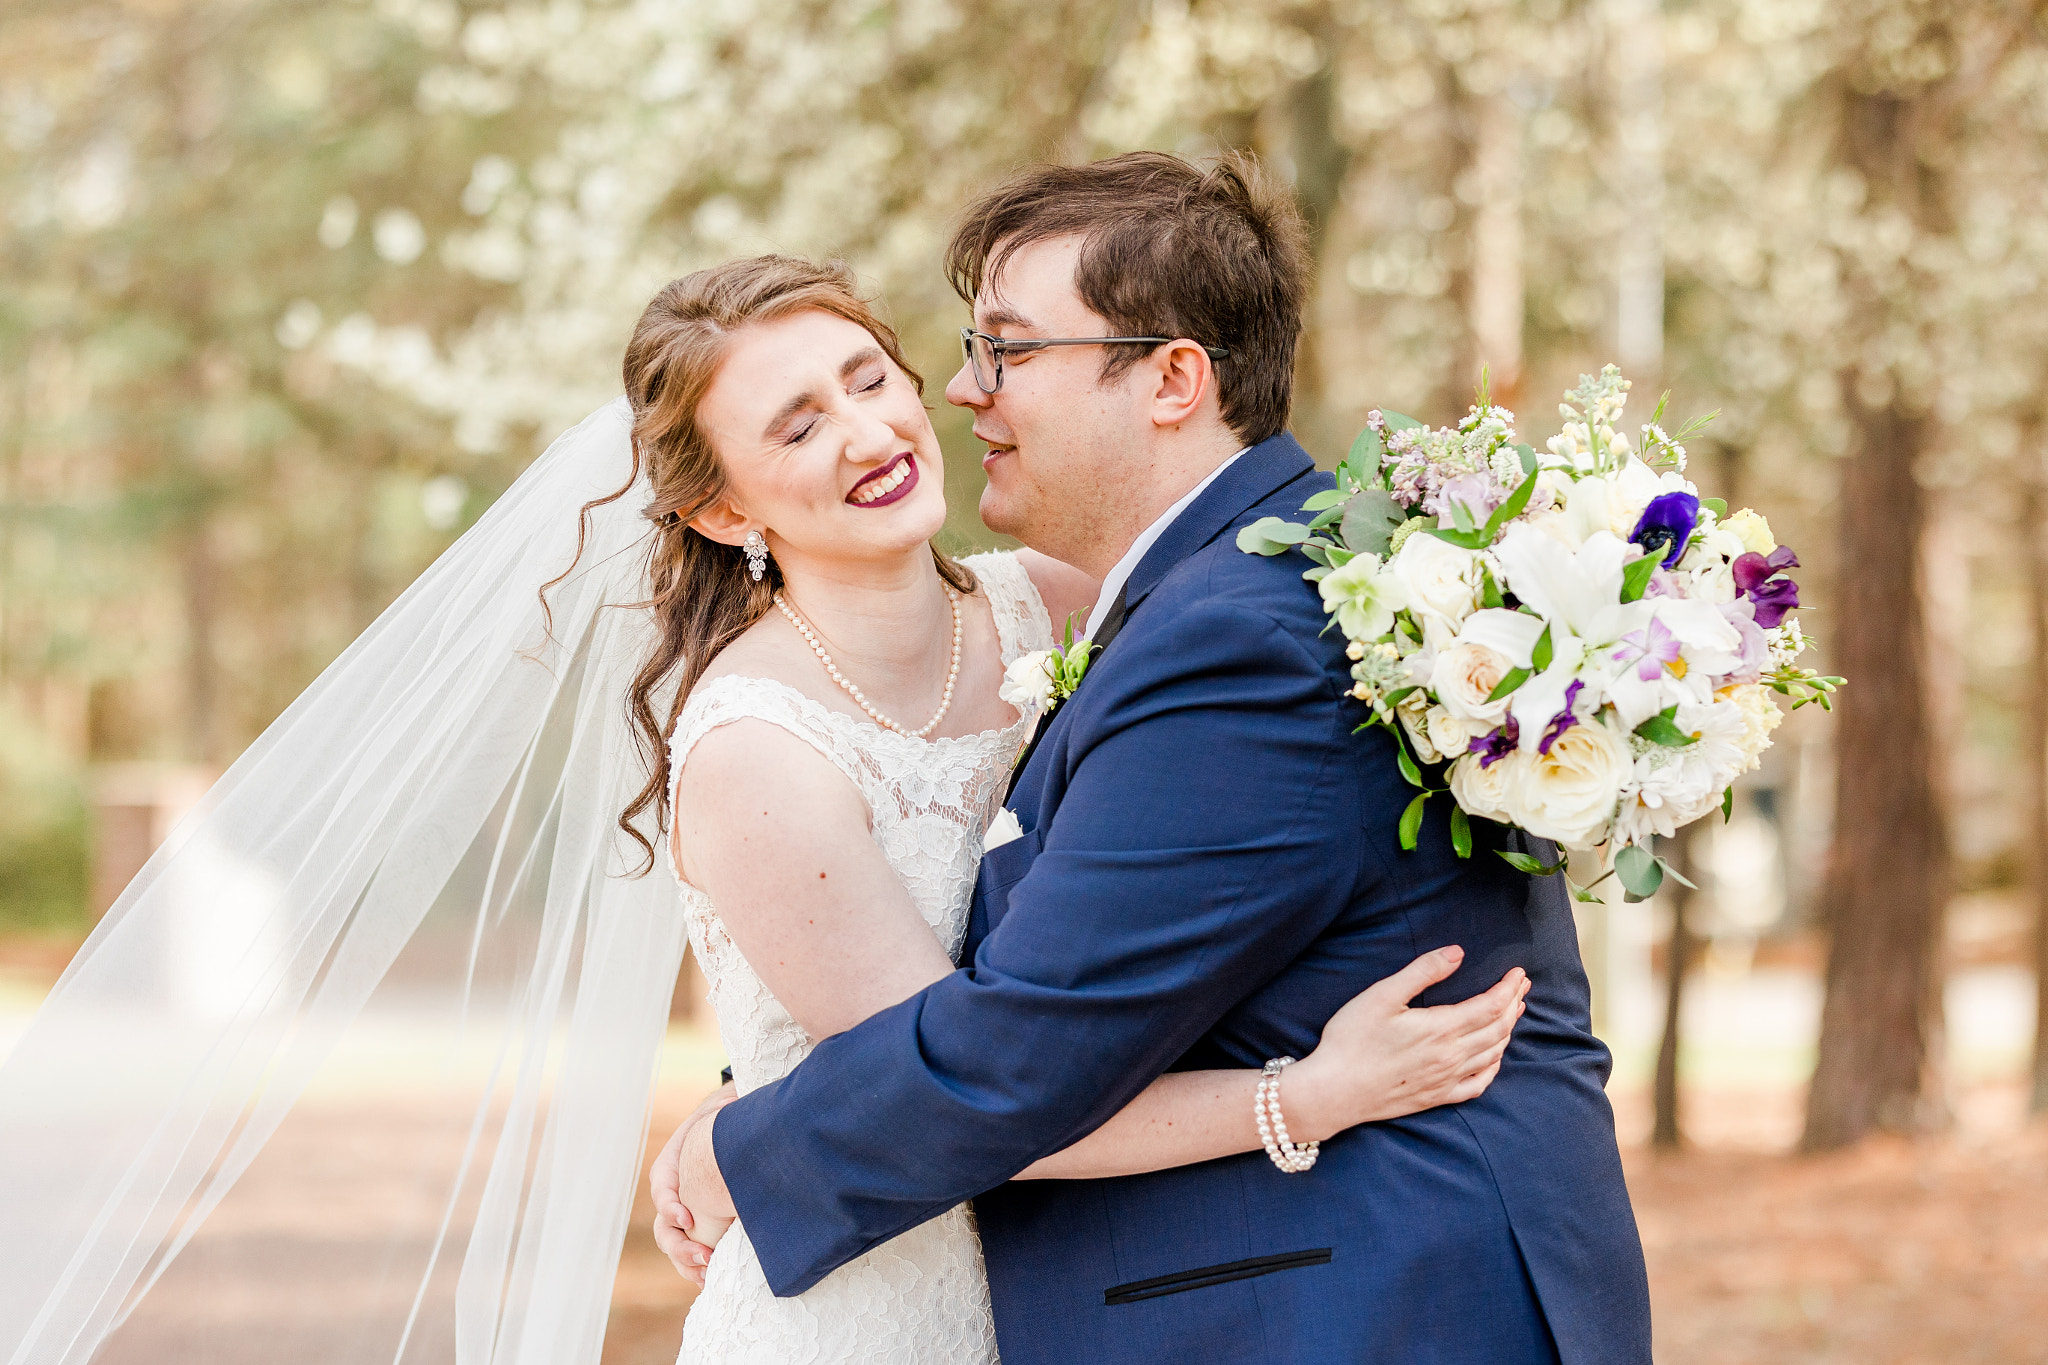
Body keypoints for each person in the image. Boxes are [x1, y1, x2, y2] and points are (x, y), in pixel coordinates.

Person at [657, 152, 1654, 1364]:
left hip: (1365, 1295)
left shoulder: (1214, 631)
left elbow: (1018, 1050)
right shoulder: (1218, 589)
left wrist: (737, 1149)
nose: (963, 395)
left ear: (1174, 378)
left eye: (1009, 352)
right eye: (971, 349)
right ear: (720, 510)